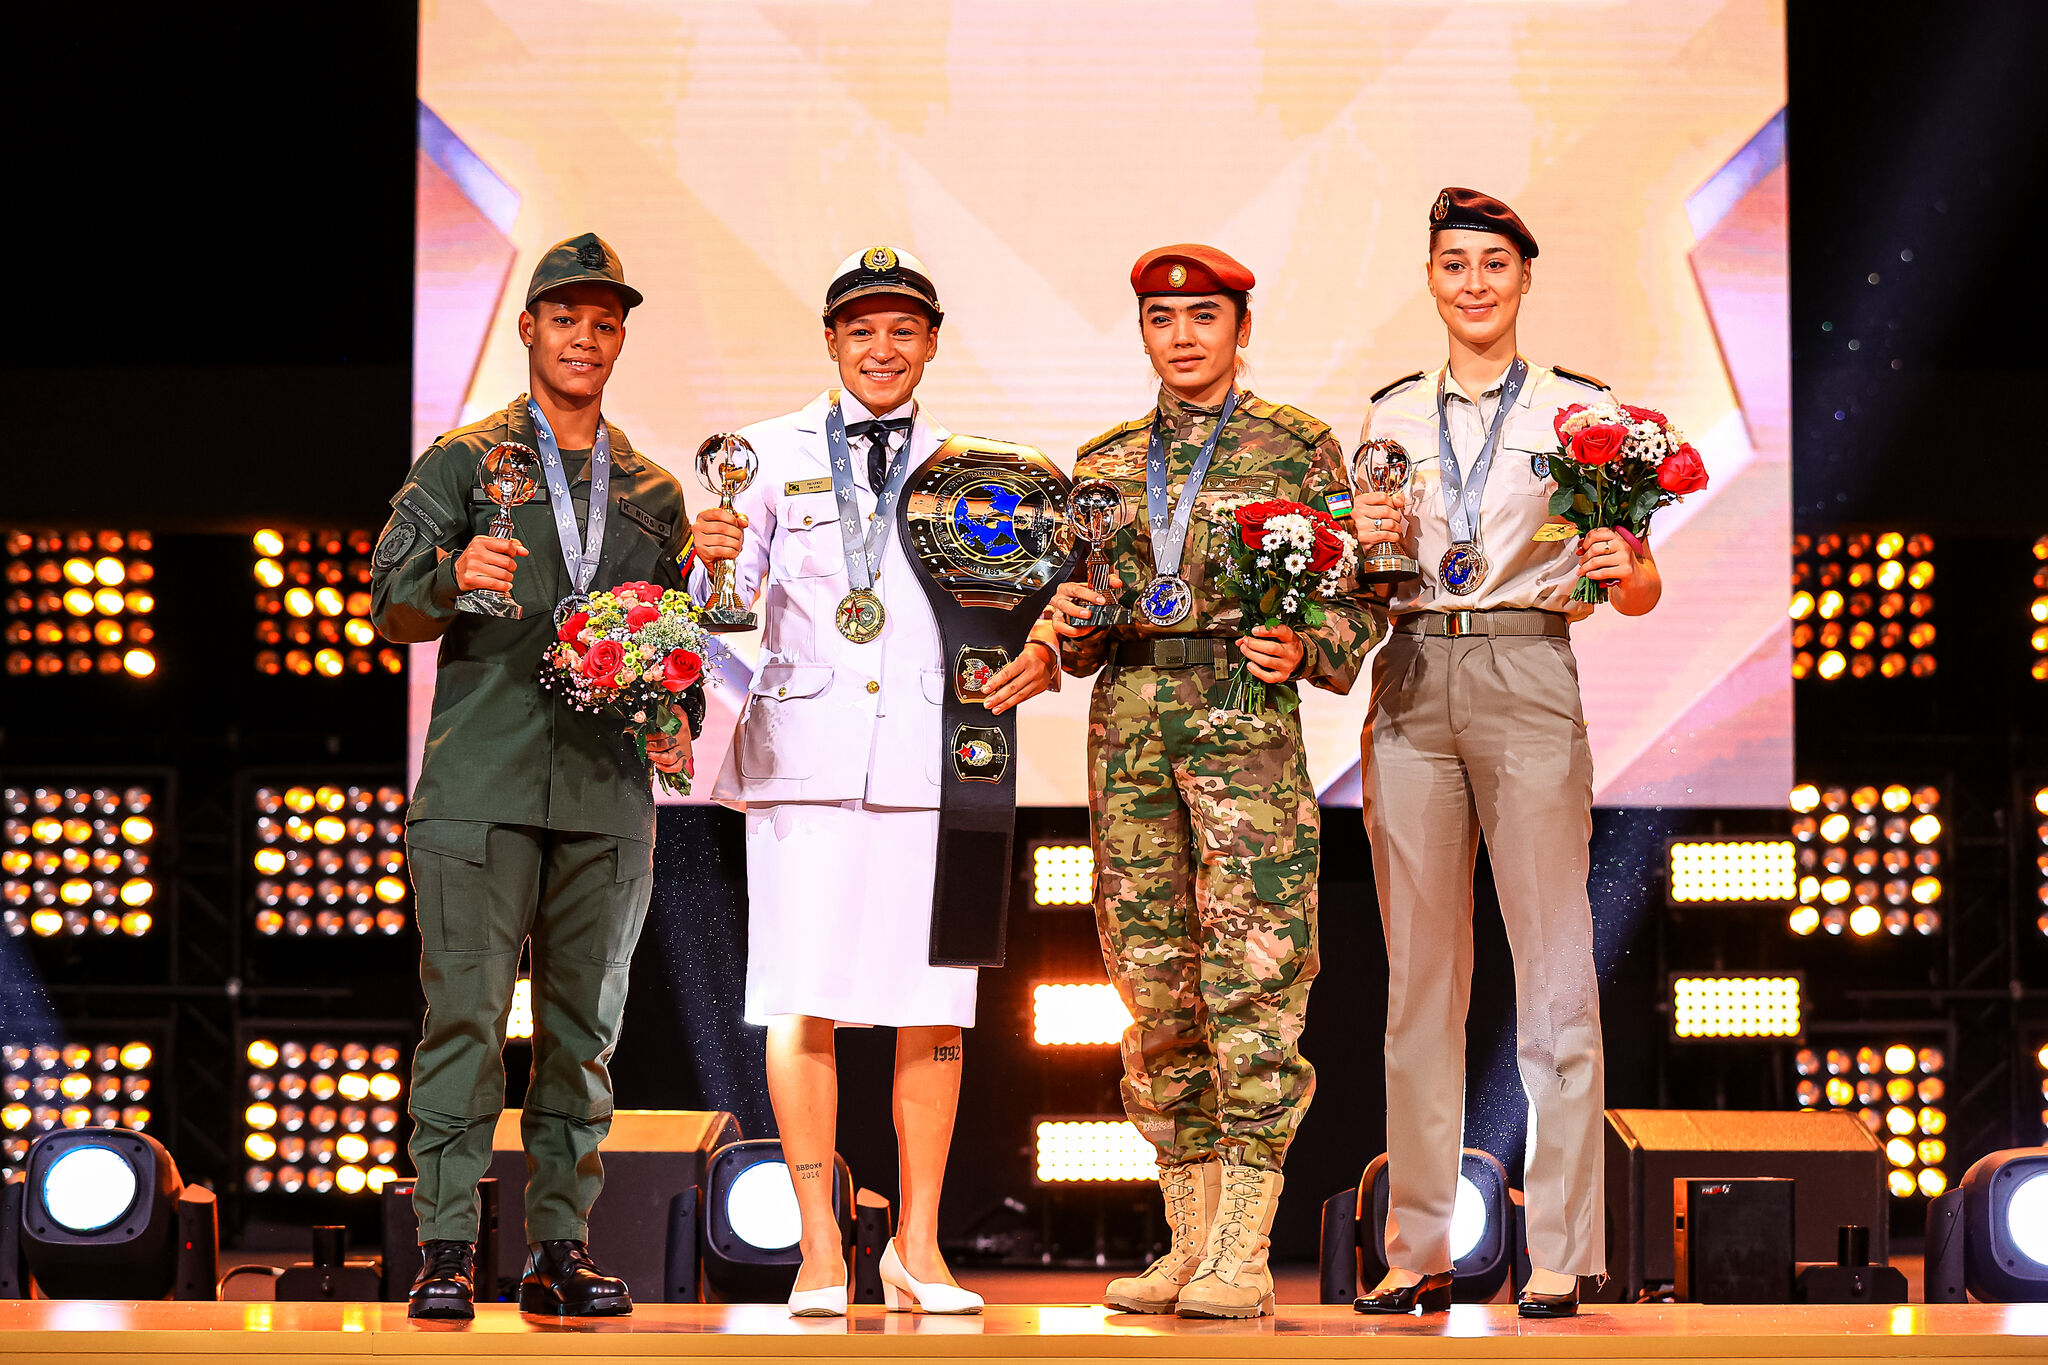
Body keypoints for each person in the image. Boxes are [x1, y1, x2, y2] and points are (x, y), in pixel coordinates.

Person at [687, 245, 1055, 1317]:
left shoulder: (978, 470)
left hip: (938, 771)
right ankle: (816, 1252)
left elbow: (1009, 616)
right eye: (861, 330)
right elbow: (726, 614)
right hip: (802, 767)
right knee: (802, 1009)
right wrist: (711, 563)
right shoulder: (757, 457)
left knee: (930, 1014)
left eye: (903, 330)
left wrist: (1038, 650)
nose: (881, 348)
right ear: (832, 342)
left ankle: (918, 1248)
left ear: (931, 343)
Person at [1032, 244, 1378, 1320]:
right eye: (1161, 318)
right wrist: (1075, 625)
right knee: (1150, 985)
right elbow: (1077, 618)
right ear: (1140, 332)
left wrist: (1307, 644)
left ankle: (1244, 1246)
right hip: (1129, 731)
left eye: (1202, 316)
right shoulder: (1100, 461)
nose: (1181, 335)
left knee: (1254, 978)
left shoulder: (1297, 449)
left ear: (1239, 328)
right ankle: (1187, 1237)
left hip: (1243, 732)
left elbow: (1360, 597)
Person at [1348, 189, 1662, 1320]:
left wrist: (1624, 566)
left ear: (1523, 277)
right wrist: (1359, 559)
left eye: (1492, 262)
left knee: (1552, 975)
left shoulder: (1586, 416)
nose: (1472, 283)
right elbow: (1362, 577)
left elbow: (1633, 585)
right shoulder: (1384, 417)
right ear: (1427, 282)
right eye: (1450, 264)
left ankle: (1559, 1254)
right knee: (1416, 986)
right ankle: (1415, 1247)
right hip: (1412, 672)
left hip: (1529, 670)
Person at [371, 233, 694, 1320]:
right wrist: (451, 573)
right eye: (567, 318)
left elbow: (670, 641)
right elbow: (387, 606)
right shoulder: (463, 461)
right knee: (463, 1018)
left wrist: (675, 720)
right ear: (527, 329)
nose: (587, 339)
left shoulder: (650, 491)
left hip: (606, 797)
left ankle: (560, 1248)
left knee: (583, 1035)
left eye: (605, 323)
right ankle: (448, 1251)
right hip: (480, 786)